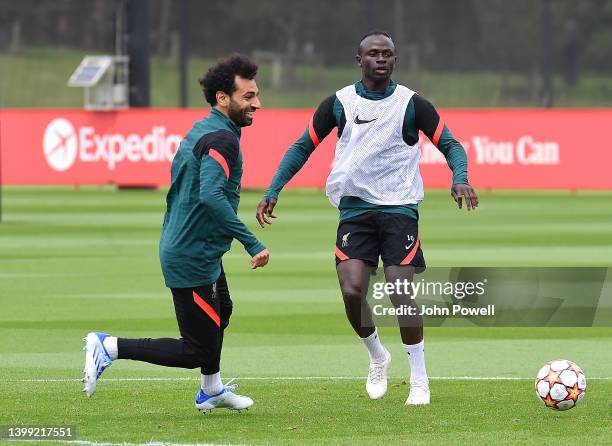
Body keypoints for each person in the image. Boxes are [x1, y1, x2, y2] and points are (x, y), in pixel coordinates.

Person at [256, 31, 478, 406]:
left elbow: (451, 144)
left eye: (387, 54)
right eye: (373, 54)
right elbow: (302, 146)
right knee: (351, 290)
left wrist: (460, 178)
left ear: (395, 60)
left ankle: (419, 379)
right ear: (359, 60)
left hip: (399, 209)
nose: (381, 59)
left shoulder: (412, 104)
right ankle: (378, 355)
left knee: (399, 289)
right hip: (355, 210)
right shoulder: (339, 103)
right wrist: (274, 188)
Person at [82, 54, 270, 412]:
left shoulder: (205, 129)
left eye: (256, 94)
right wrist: (252, 242)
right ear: (222, 98)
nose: (257, 103)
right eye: (248, 96)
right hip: (192, 255)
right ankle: (108, 346)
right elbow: (211, 197)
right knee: (195, 349)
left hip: (199, 248)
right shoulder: (222, 140)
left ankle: (212, 390)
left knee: (221, 312)